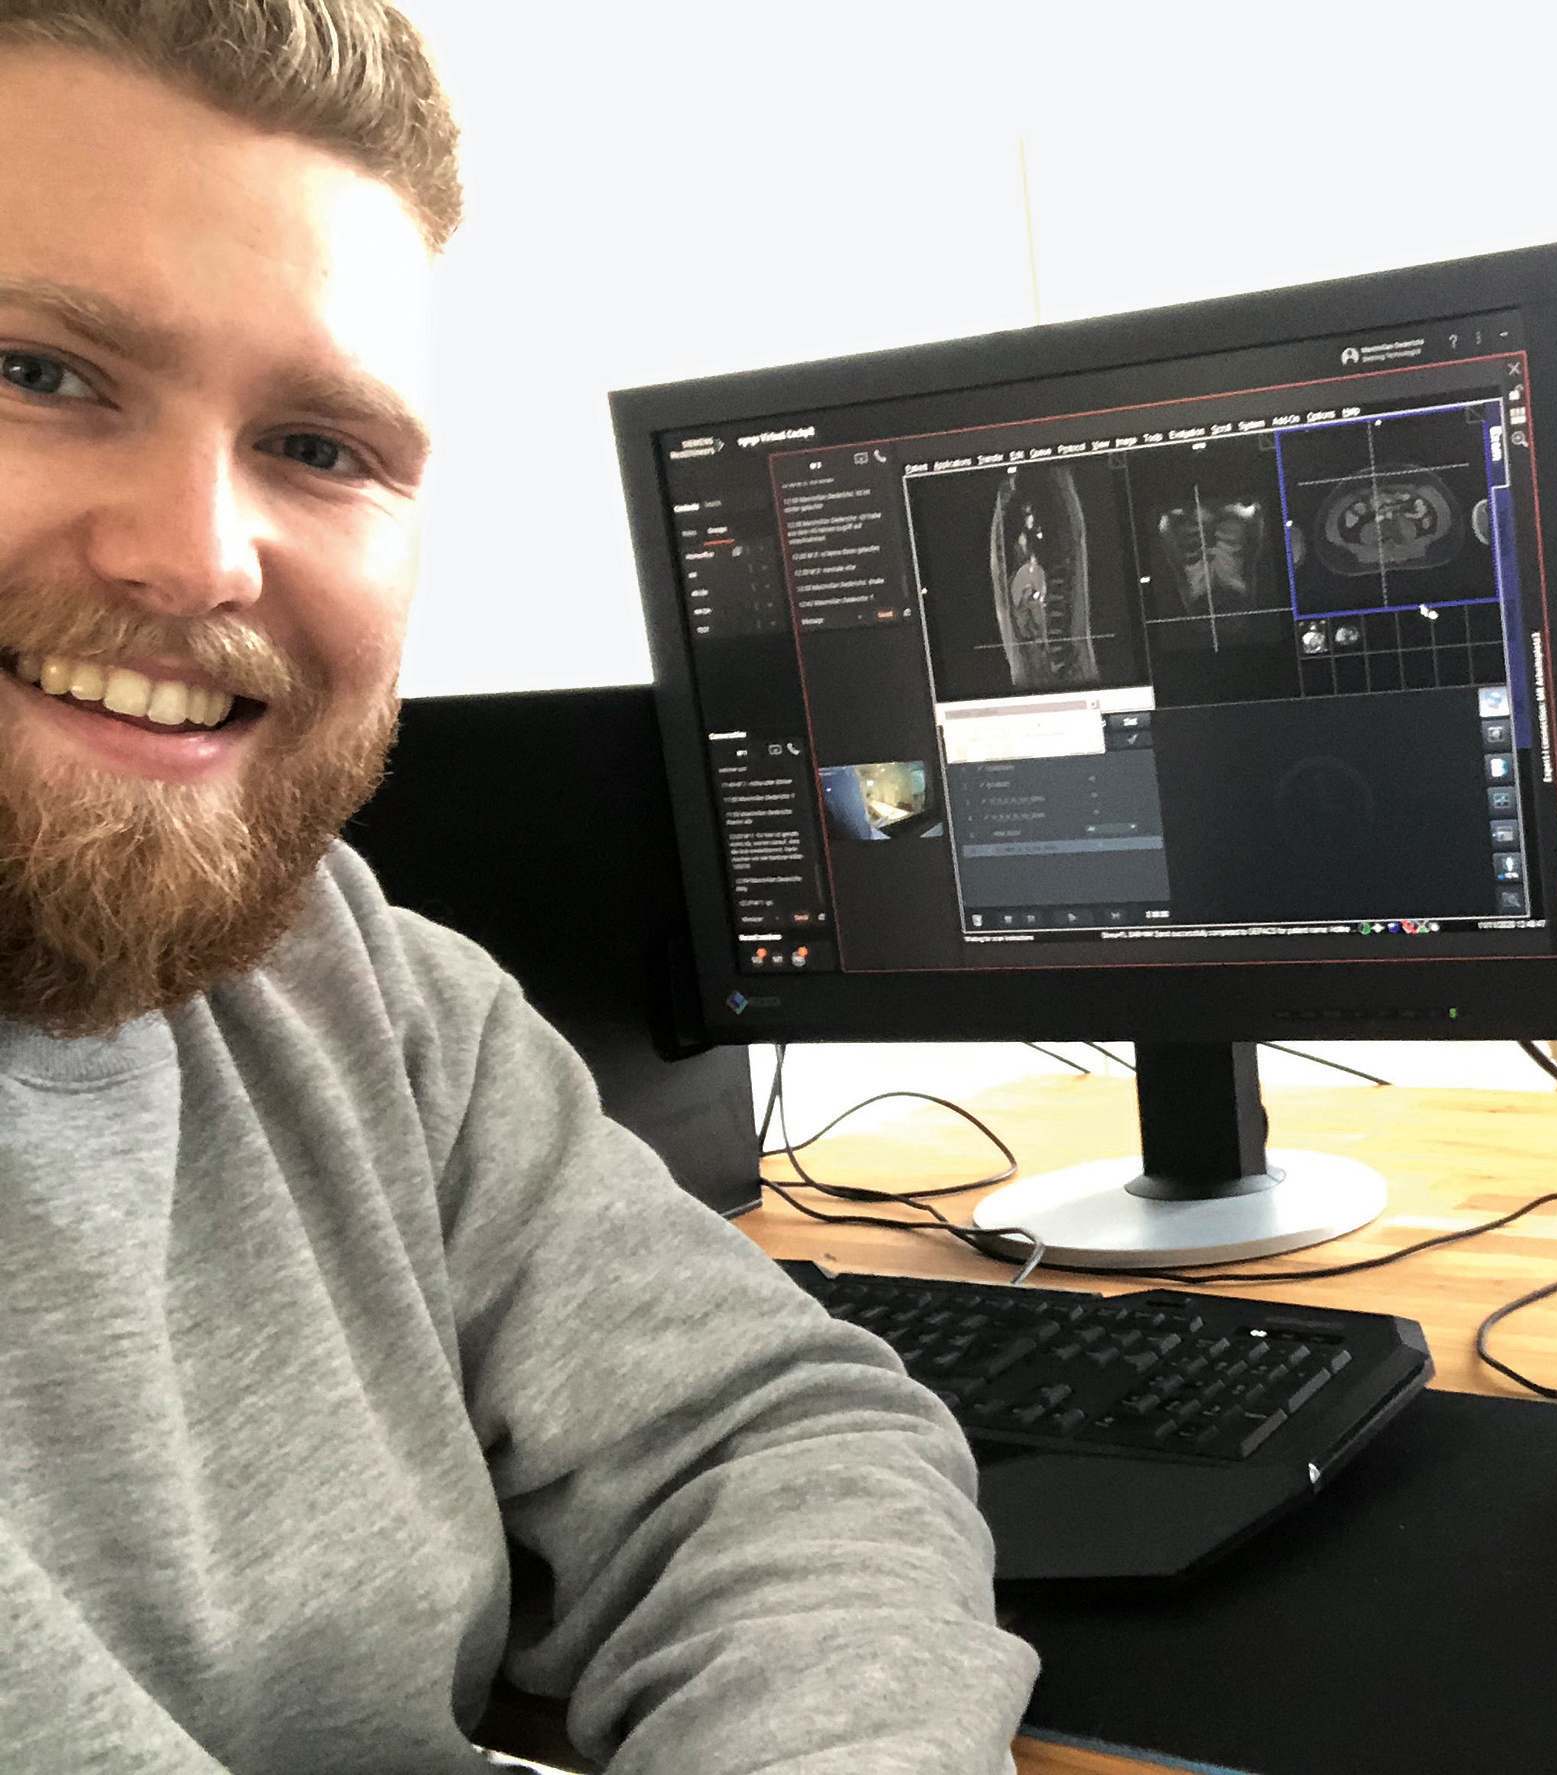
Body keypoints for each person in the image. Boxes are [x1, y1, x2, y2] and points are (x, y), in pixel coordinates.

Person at [0, 3, 1037, 1769]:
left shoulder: (335, 976)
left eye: (320, 446)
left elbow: (757, 1436)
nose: (198, 555)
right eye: (38, 372)